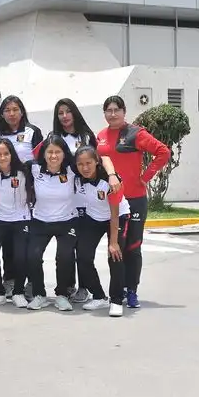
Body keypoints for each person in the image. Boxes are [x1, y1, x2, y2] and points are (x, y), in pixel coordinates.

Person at [33, 98, 122, 303]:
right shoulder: (53, 138)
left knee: (80, 247)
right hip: (69, 198)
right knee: (70, 249)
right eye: (60, 113)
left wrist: (111, 174)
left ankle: (85, 287)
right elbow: (36, 159)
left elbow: (103, 157)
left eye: (68, 112)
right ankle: (69, 286)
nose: (64, 116)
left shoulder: (87, 135)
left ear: (74, 113)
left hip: (88, 199)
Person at [96, 95, 171, 309]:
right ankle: (116, 292)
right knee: (116, 246)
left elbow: (163, 152)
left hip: (135, 199)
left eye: (116, 110)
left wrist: (145, 177)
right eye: (108, 110)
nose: (112, 114)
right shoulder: (100, 136)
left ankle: (132, 291)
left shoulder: (135, 133)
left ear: (123, 111)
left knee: (133, 248)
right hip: (112, 202)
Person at [26, 134, 79, 311]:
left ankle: (62, 294)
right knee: (33, 256)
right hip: (40, 220)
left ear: (64, 153)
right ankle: (39, 294)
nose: (53, 156)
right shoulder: (33, 169)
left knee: (64, 257)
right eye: (50, 152)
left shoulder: (73, 169)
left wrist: (112, 175)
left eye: (58, 152)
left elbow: (97, 161)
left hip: (67, 220)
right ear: (43, 153)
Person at [73, 145, 129, 315]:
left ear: (96, 162)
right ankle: (99, 297)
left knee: (115, 255)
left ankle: (117, 300)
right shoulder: (77, 176)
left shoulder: (110, 181)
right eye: (80, 164)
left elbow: (114, 214)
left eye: (89, 163)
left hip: (117, 216)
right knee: (83, 256)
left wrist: (113, 242)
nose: (85, 168)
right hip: (94, 218)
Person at [0, 138, 34, 308]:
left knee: (21, 257)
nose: (2, 157)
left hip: (21, 219)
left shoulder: (25, 170)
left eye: (6, 153)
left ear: (12, 154)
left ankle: (18, 292)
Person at [0, 95, 44, 163]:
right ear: (2, 115)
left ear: (22, 112)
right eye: (7, 110)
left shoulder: (32, 131)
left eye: (15, 110)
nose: (12, 114)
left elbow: (40, 159)